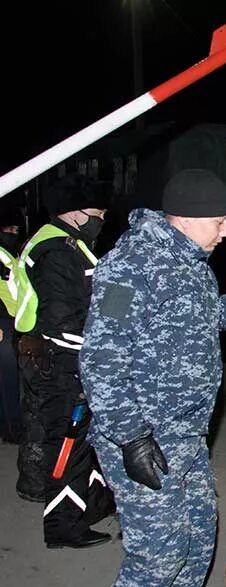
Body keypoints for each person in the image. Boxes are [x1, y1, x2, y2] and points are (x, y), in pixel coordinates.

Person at [80, 169, 226, 587]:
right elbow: (100, 359)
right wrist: (131, 437)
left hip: (188, 434)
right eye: (219, 222)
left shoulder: (191, 261)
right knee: (160, 551)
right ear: (186, 219)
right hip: (143, 437)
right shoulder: (127, 267)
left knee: (198, 533)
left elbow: (206, 319)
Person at [13, 174, 116, 549]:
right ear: (74, 213)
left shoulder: (73, 244)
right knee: (67, 446)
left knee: (87, 441)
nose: (101, 218)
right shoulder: (56, 251)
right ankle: (62, 528)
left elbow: (97, 297)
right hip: (64, 363)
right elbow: (61, 324)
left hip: (76, 360)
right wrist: (108, 344)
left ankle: (93, 505)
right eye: (96, 212)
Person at [0, 195, 23, 444]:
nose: (13, 233)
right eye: (10, 229)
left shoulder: (6, 251)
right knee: (7, 378)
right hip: (2, 321)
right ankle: (12, 429)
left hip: (11, 319)